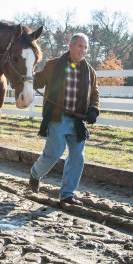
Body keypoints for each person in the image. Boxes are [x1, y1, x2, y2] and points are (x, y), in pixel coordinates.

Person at [28, 33, 99, 206]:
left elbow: (94, 93)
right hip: (57, 117)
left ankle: (67, 194)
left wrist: (93, 109)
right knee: (55, 152)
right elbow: (37, 81)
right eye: (80, 46)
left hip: (77, 122)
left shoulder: (89, 71)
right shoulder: (54, 65)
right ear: (71, 46)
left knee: (77, 157)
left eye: (85, 47)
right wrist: (26, 76)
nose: (83, 50)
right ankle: (36, 173)